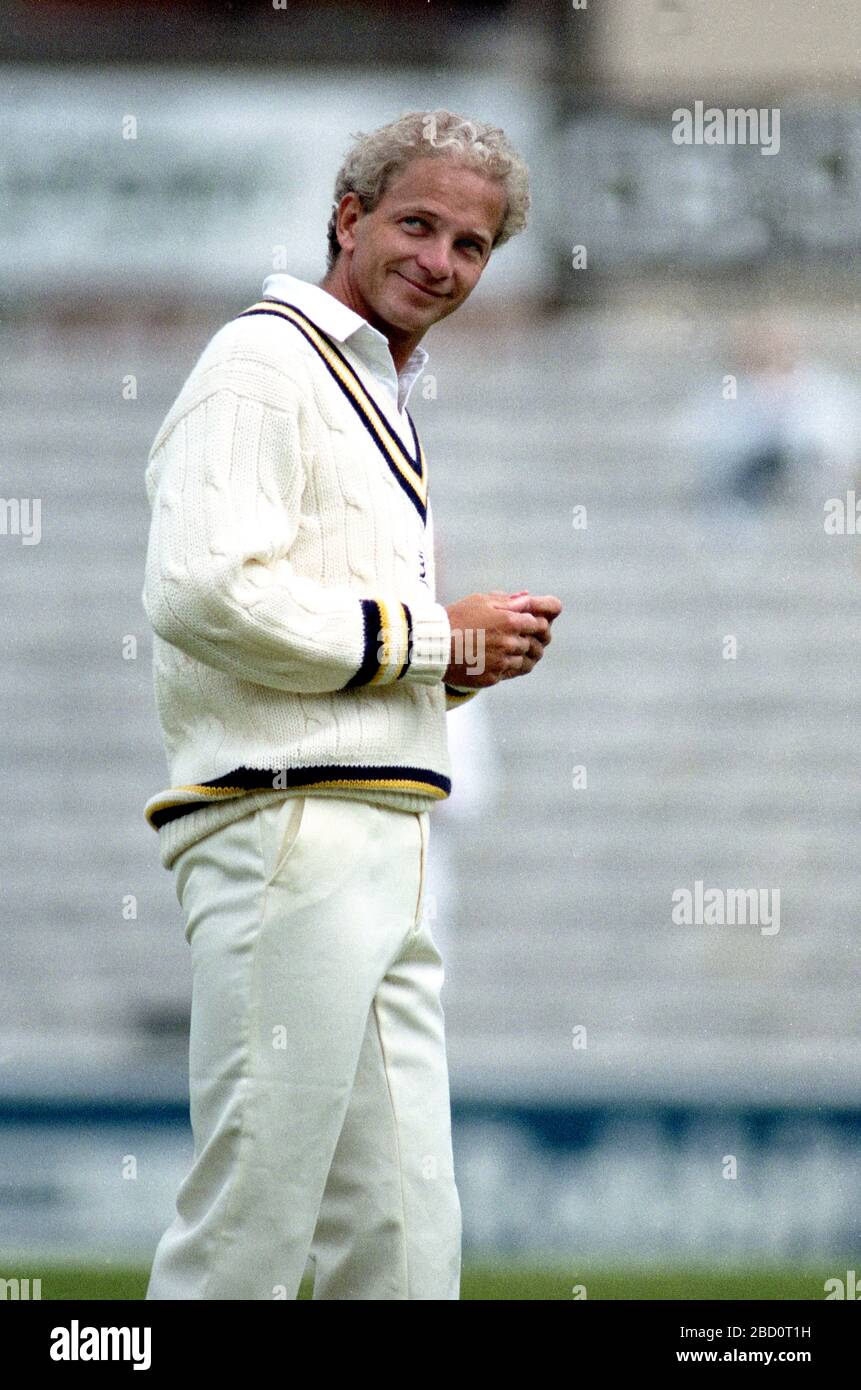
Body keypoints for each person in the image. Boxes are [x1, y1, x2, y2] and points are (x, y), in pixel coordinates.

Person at [142, 107, 562, 1300]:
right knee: (252, 1229)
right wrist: (436, 636)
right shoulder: (265, 357)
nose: (440, 261)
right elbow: (202, 592)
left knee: (404, 1239)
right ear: (348, 215)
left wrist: (458, 662)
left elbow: (312, 622)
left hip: (384, 835)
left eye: (471, 246)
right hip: (286, 829)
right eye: (417, 224)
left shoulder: (375, 387)